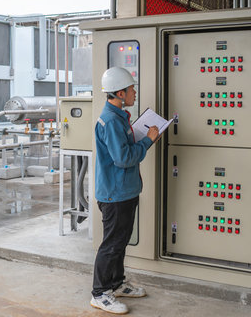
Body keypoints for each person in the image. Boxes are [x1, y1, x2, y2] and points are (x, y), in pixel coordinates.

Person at [90, 67, 159, 314]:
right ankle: (99, 293)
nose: (134, 92)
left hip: (125, 191)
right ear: (120, 93)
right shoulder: (110, 121)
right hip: (115, 194)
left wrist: (142, 137)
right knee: (111, 244)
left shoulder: (119, 116)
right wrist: (148, 140)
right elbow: (124, 158)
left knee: (120, 242)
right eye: (131, 89)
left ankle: (116, 283)